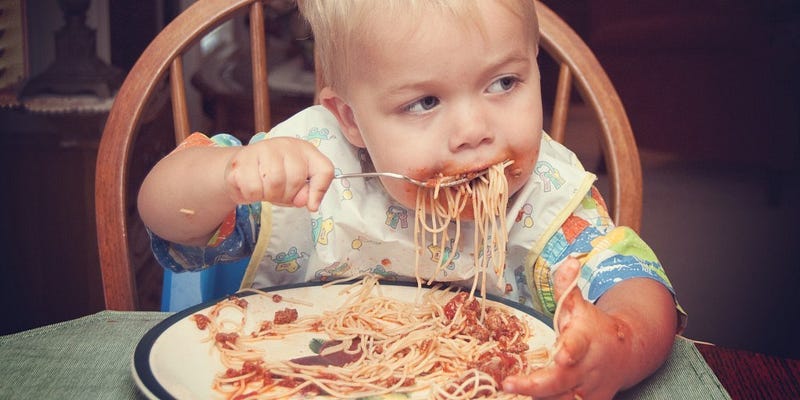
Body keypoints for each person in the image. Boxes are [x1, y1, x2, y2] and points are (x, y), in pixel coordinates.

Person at [138, 0, 685, 398]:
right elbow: (165, 217)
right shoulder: (314, 174)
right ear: (351, 119)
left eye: (503, 83)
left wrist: (615, 343)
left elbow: (639, 289)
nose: (473, 131)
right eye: (424, 102)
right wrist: (226, 175)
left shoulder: (541, 197)